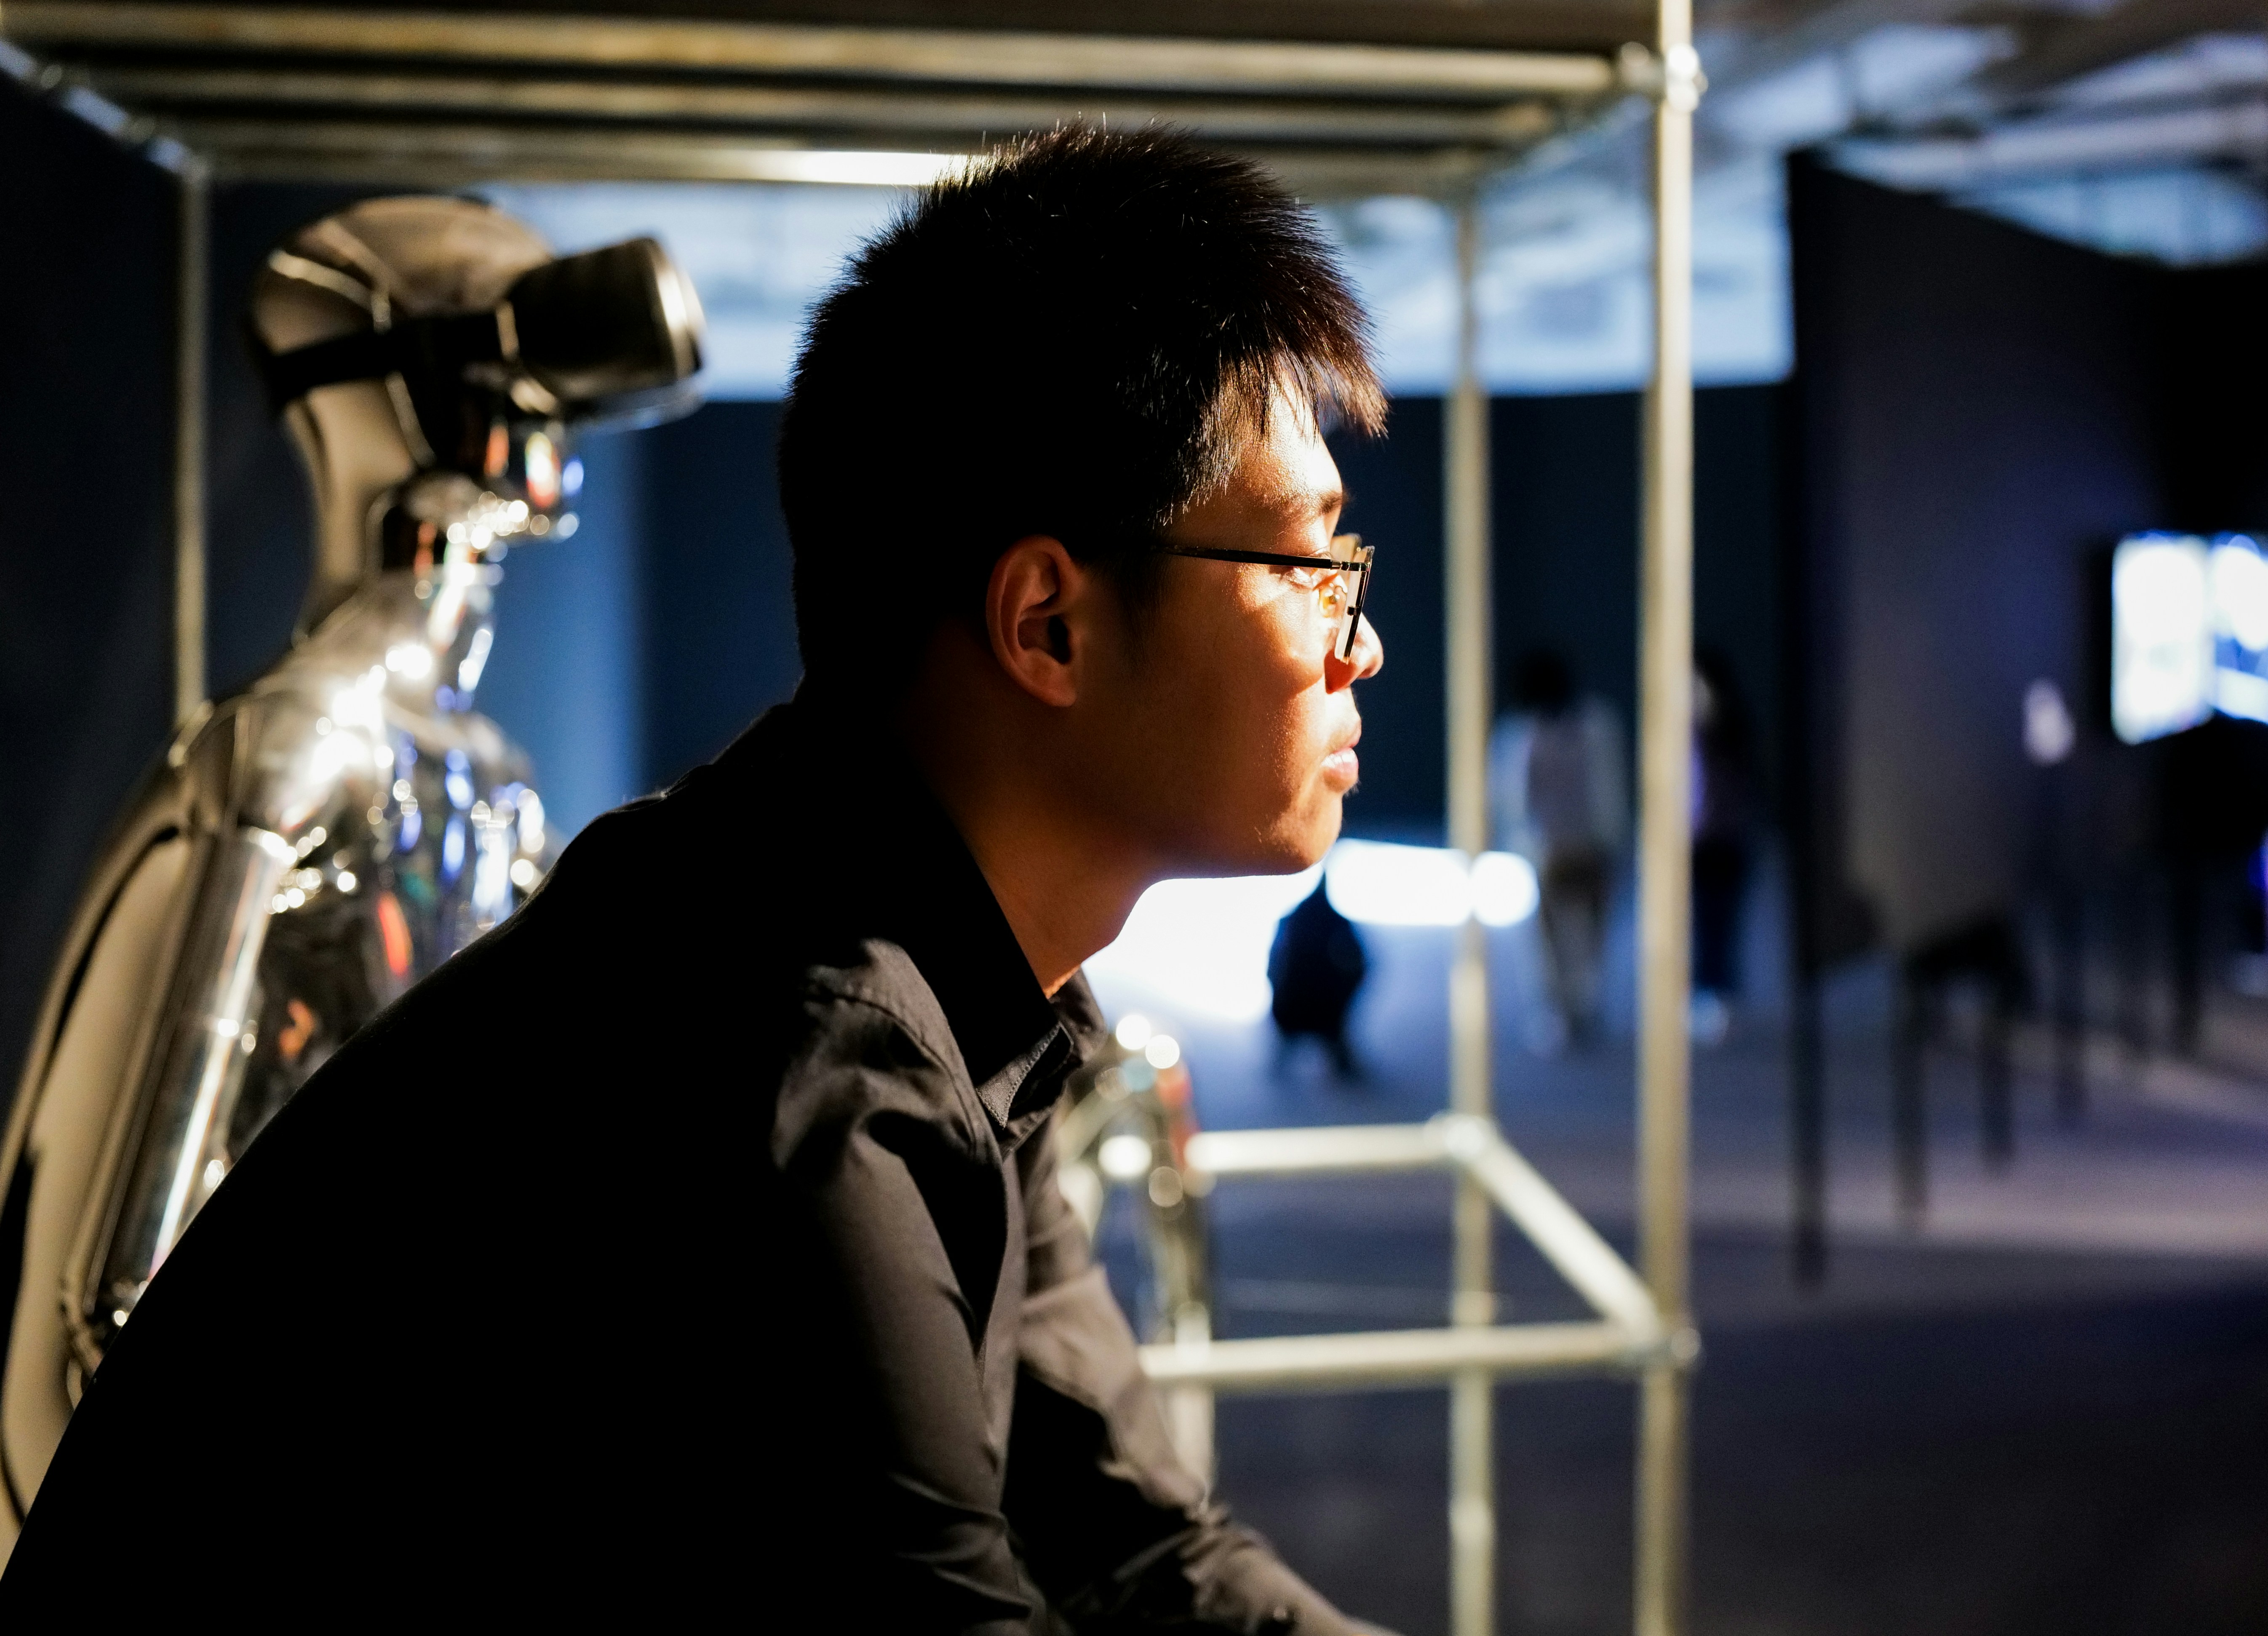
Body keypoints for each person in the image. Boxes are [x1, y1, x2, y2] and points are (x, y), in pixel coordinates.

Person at [2, 127, 1392, 1631]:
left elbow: (1134, 1548)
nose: (1359, 640)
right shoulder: (796, 1062)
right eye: (1308, 565)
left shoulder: (921, 971)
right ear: (1047, 622)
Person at [1489, 649, 1627, 1049]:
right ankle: (1559, 1006)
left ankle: (1581, 1001)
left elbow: (1607, 786)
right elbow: (1512, 795)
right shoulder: (1522, 733)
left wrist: (1610, 838)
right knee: (1548, 937)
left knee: (1589, 931)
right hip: (1550, 849)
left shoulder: (1592, 725)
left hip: (1586, 844)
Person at [1690, 648, 1762, 1046]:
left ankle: (1718, 993)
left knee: (1720, 919)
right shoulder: (1680, 727)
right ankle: (1705, 992)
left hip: (1723, 836)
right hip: (1695, 838)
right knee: (1699, 920)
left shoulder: (1728, 726)